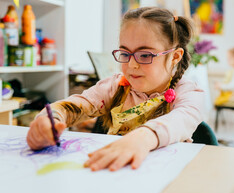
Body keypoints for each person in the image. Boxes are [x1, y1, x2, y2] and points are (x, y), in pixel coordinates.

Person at [26, 7, 204, 171]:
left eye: (144, 55)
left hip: (166, 174)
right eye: (125, 54)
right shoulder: (116, 86)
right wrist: (48, 119)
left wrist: (143, 138)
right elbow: (78, 104)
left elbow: (181, 119)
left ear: (175, 56)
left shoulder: (188, 93)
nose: (131, 65)